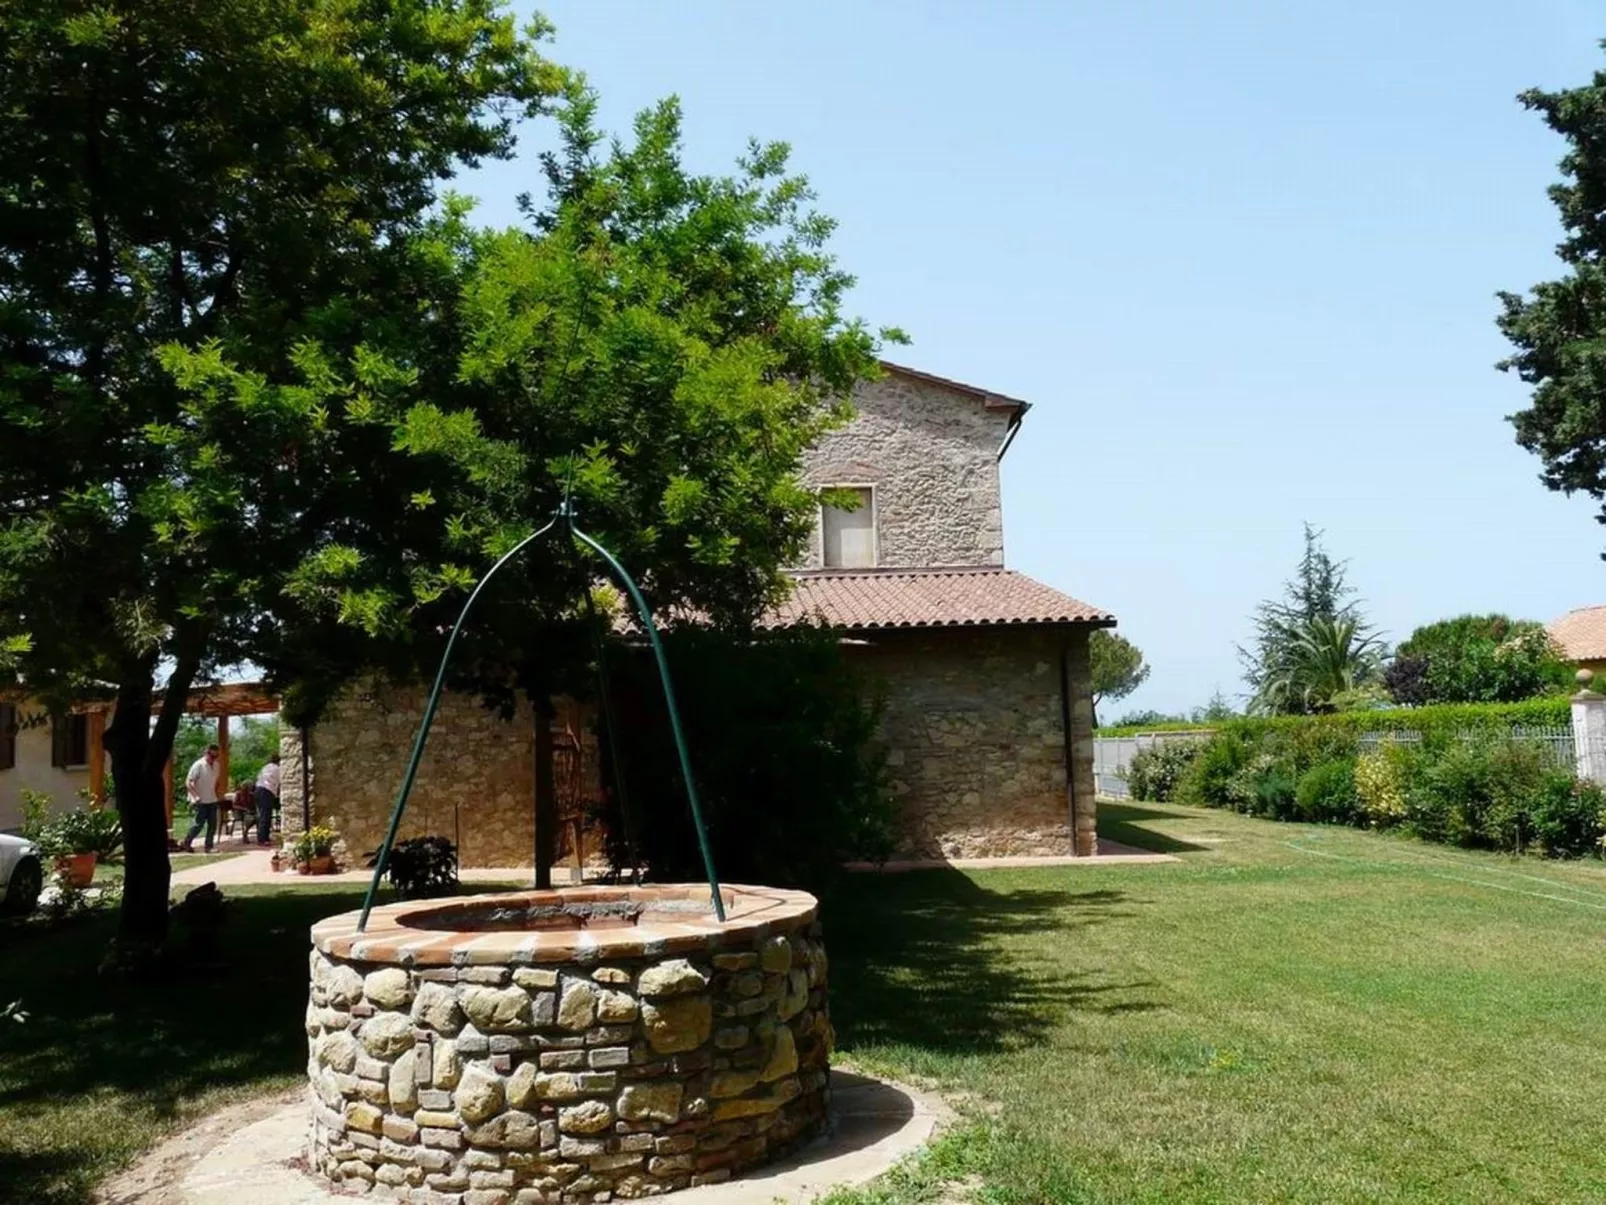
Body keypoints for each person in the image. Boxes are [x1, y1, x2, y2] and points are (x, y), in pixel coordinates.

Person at [181, 744, 221, 853]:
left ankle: (209, 846)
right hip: (200, 800)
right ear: (206, 753)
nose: (213, 759)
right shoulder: (198, 765)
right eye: (212, 756)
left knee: (213, 824)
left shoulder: (217, 766)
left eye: (216, 756)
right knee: (198, 824)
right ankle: (187, 842)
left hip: (212, 799)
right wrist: (196, 796)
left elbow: (216, 782)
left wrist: (217, 795)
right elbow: (189, 782)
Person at [255, 754, 281, 846]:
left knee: (262, 815)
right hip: (266, 791)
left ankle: (263, 837)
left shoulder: (265, 767)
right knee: (266, 815)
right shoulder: (278, 769)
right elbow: (281, 782)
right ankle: (263, 839)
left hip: (258, 790)